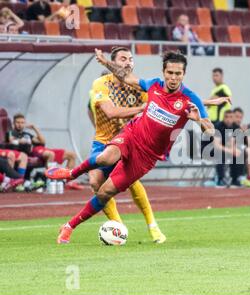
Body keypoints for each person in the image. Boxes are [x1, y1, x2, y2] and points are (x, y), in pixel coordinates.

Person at [46, 50, 214, 244]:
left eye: (178, 74)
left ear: (183, 74)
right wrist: (106, 62)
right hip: (131, 135)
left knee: (104, 192)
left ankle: (69, 226)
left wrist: (199, 120)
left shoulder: (191, 100)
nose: (173, 77)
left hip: (146, 157)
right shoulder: (154, 85)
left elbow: (210, 131)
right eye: (170, 73)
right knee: (105, 158)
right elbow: (127, 76)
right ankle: (72, 174)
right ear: (164, 71)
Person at [87, 47, 165, 244]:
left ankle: (152, 226)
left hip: (129, 140)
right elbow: (110, 112)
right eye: (123, 59)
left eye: (131, 59)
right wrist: (141, 108)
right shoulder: (101, 83)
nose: (128, 62)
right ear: (113, 63)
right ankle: (118, 226)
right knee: (96, 182)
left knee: (128, 180)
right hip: (103, 140)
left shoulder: (141, 88)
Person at [6, 113, 82, 190]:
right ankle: (51, 180)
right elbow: (10, 139)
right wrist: (19, 140)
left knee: (72, 155)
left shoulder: (27, 134)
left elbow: (42, 141)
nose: (20, 125)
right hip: (33, 151)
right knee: (50, 154)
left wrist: (34, 128)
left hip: (41, 149)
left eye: (22, 122)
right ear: (14, 123)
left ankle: (66, 181)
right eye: (18, 122)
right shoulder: (11, 133)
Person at [232, 107, 250, 187]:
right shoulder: (229, 126)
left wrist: (245, 132)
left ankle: (249, 177)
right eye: (237, 117)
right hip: (229, 150)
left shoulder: (241, 128)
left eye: (240, 117)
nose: (239, 119)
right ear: (232, 116)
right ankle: (240, 177)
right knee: (242, 150)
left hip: (240, 149)